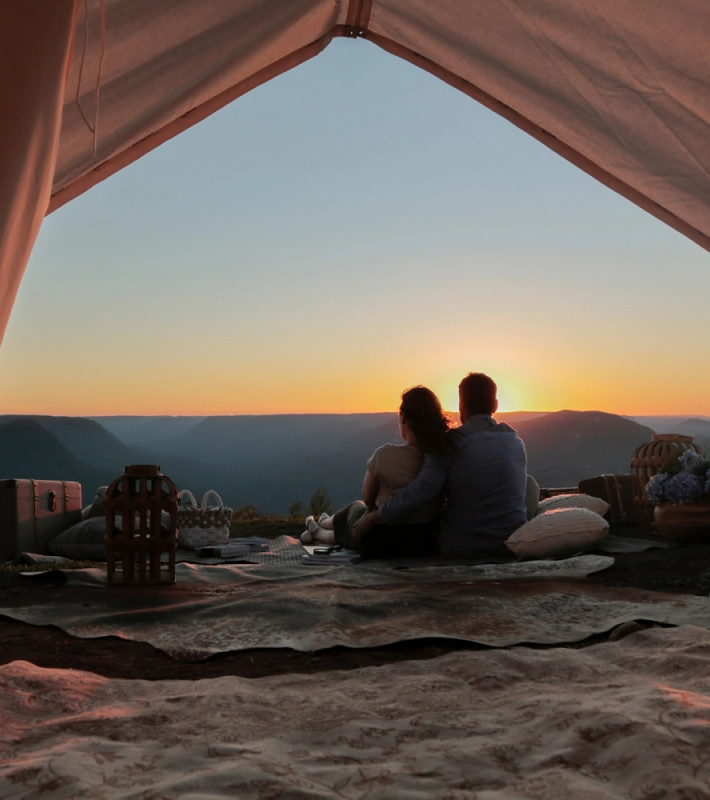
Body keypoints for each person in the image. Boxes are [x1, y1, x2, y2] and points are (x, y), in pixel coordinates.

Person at [353, 372, 528, 558]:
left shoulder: (450, 444)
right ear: (495, 405)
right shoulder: (515, 441)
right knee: (530, 485)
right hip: (510, 543)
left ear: (461, 405)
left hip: (463, 546)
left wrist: (374, 517)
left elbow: (421, 491)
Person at [303, 386, 451, 558]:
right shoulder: (444, 457)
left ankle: (319, 526)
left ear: (404, 419)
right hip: (423, 540)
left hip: (380, 538)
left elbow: (368, 497)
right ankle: (320, 524)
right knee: (357, 515)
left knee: (357, 507)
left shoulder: (384, 454)